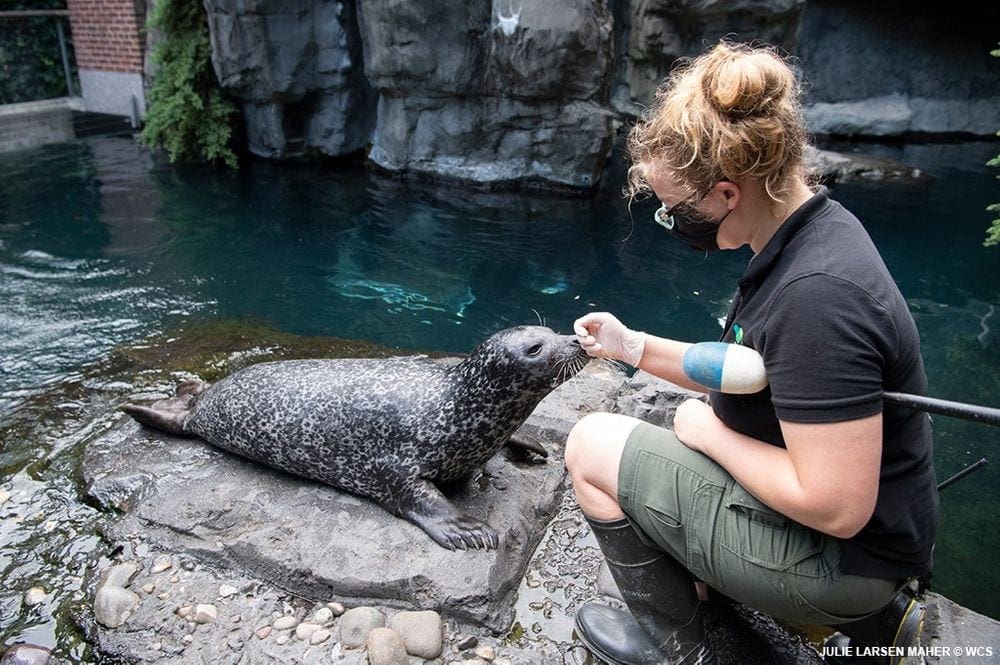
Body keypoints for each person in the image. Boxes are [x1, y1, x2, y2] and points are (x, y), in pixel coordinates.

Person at [566, 40, 938, 665]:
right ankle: (857, 618)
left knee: (592, 445)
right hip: (868, 544)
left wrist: (710, 435)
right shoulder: (812, 232)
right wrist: (632, 347)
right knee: (669, 434)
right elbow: (743, 371)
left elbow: (838, 507)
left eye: (674, 209)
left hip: (843, 560)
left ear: (726, 194)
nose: (671, 219)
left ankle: (677, 648)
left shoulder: (817, 298)